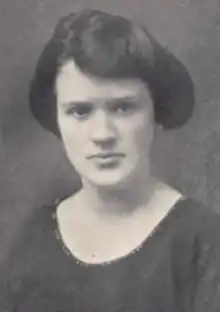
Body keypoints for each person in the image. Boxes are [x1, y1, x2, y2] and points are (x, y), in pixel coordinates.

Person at [1, 8, 220, 312]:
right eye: (79, 111)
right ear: (57, 120)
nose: (103, 134)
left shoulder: (203, 244)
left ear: (156, 113)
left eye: (123, 108)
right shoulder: (34, 239)